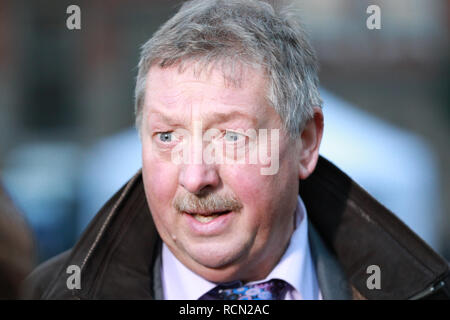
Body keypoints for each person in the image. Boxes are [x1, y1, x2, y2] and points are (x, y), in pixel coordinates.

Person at [24, 0, 449, 300]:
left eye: (230, 136)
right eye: (167, 137)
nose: (195, 176)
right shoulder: (46, 295)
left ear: (305, 143)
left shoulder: (410, 290)